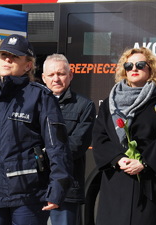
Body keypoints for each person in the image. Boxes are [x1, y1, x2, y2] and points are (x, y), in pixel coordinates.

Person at [0, 34, 73, 225]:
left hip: (29, 198)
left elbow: (58, 148)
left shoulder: (41, 97)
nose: (7, 60)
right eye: (3, 55)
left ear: (28, 65)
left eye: (14, 56)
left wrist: (57, 188)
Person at [92, 47, 156, 225]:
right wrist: (118, 159)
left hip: (149, 187)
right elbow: (100, 137)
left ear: (151, 69)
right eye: (129, 65)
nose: (134, 69)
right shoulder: (110, 103)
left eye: (140, 65)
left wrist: (144, 163)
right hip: (116, 185)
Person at [41, 53, 95, 225]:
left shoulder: (84, 106)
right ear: (43, 78)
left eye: (61, 74)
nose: (56, 79)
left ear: (70, 75)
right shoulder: (33, 103)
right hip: (34, 187)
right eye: (51, 75)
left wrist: (40, 155)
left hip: (67, 190)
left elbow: (76, 146)